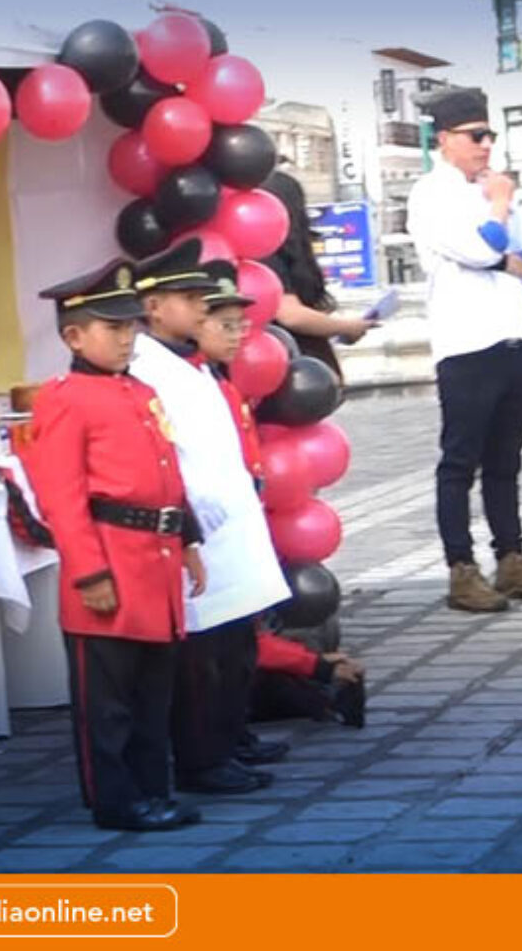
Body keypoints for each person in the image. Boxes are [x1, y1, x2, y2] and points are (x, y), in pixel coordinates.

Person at [18, 256, 205, 833]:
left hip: (156, 561)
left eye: (130, 327)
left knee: (152, 697)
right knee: (108, 704)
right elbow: (62, 496)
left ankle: (154, 790)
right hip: (110, 566)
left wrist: (189, 537)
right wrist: (88, 572)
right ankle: (117, 800)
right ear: (74, 335)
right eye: (113, 328)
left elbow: (165, 469)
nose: (127, 338)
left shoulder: (139, 390)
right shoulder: (65, 398)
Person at [127, 241, 291, 796]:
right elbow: (160, 449)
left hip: (233, 525)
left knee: (234, 647)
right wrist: (193, 506)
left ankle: (230, 739)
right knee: (203, 656)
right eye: (189, 297)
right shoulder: (145, 368)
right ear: (152, 308)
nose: (202, 306)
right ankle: (203, 759)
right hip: (198, 527)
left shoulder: (189, 365)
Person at [406, 89, 522, 612]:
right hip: (467, 343)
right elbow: (480, 247)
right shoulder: (432, 194)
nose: (486, 145)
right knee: (460, 461)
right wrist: (497, 217)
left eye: (490, 135)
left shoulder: (500, 191)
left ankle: (512, 559)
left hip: (517, 337)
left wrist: (502, 241)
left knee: (507, 461)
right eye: (476, 136)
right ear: (445, 139)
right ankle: (461, 567)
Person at [192, 259, 292, 768]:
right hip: (210, 527)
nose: (236, 336)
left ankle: (236, 733)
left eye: (241, 325)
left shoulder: (217, 377)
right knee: (217, 648)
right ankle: (217, 743)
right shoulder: (184, 379)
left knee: (240, 645)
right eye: (224, 325)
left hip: (239, 515)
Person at [262, 171, 371, 376]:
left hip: (289, 360)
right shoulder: (270, 256)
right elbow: (290, 315)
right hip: (296, 365)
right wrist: (345, 327)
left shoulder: (259, 252)